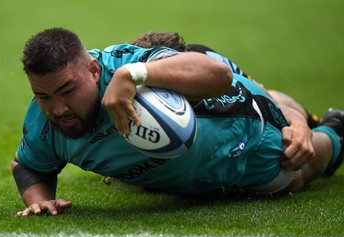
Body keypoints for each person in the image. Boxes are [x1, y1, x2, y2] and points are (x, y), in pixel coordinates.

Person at [12, 27, 344, 217]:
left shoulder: (135, 65)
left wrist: (134, 74)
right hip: (185, 181)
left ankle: (335, 128)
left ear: (94, 71)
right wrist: (39, 198)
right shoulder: (43, 124)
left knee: (302, 164)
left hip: (244, 142)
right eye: (43, 96)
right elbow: (29, 166)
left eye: (66, 91)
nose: (57, 109)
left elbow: (221, 77)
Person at [131, 31, 324, 173]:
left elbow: (265, 97)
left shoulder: (206, 62)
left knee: (291, 151)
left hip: (255, 120)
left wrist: (298, 122)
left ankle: (326, 125)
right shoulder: (132, 81)